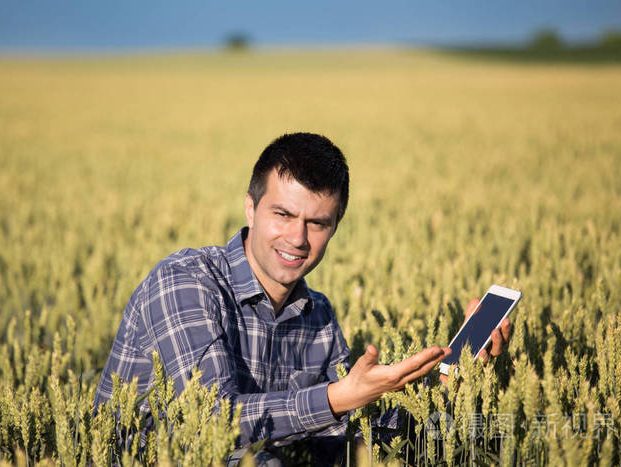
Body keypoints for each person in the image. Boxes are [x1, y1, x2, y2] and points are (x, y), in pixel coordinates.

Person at [94, 132, 512, 464]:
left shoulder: (318, 316)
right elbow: (210, 424)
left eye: (317, 223)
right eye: (283, 214)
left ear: (335, 227)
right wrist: (337, 397)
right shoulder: (186, 282)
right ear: (250, 209)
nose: (297, 238)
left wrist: (451, 378)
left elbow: (358, 437)